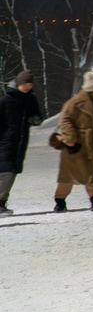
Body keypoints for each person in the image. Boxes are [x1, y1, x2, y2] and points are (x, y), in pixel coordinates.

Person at [52, 70, 93, 212]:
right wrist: (70, 138)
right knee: (67, 177)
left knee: (92, 172)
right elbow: (63, 120)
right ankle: (60, 201)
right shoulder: (75, 102)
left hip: (90, 144)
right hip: (74, 145)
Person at [0, 68, 41, 215]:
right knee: (7, 172)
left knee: (12, 171)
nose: (27, 86)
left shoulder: (31, 100)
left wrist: (35, 119)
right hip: (5, 142)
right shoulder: (5, 100)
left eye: (30, 84)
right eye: (25, 83)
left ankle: (2, 202)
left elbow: (37, 116)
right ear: (18, 83)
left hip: (20, 143)